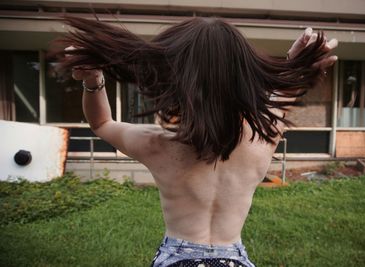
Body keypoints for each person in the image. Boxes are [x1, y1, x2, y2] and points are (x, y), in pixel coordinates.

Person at [54, 16, 338, 267]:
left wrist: (94, 81)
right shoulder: (262, 137)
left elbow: (101, 123)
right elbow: (283, 92)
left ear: (173, 79)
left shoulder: (157, 144)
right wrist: (297, 63)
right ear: (244, 79)